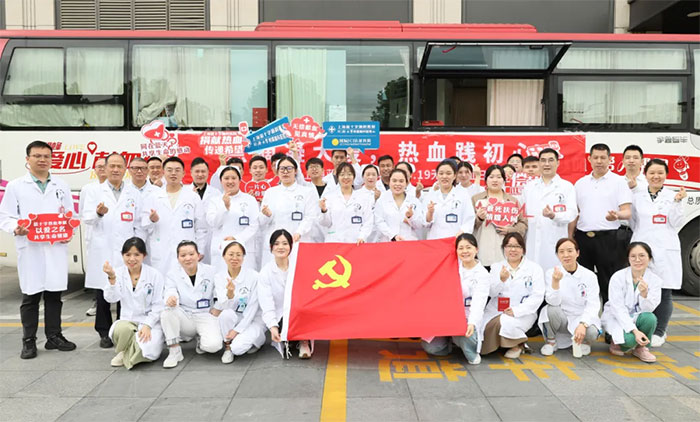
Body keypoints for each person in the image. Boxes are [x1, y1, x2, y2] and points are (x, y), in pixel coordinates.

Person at [0, 140, 77, 358]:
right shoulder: (16, 186)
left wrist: (68, 231)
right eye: (37, 156)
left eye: (46, 156)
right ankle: (29, 341)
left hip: (55, 248)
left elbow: (70, 215)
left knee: (54, 294)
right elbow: (5, 216)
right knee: (31, 296)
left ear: (51, 159)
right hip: (30, 248)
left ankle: (54, 336)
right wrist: (16, 228)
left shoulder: (61, 185)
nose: (42, 160)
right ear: (28, 159)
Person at [82, 153, 143, 348]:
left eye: (119, 166)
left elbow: (138, 221)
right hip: (104, 249)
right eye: (112, 166)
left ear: (125, 170)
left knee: (126, 292)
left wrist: (138, 247)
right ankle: (103, 332)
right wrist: (98, 213)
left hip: (127, 250)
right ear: (105, 169)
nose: (116, 170)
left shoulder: (133, 192)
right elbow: (86, 218)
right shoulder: (94, 191)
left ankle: (122, 329)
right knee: (103, 292)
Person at [631, 159, 686, 347]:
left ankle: (660, 331)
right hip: (642, 247)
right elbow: (633, 222)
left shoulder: (673, 196)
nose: (656, 176)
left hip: (664, 248)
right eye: (652, 173)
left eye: (660, 173)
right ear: (645, 175)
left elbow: (676, 222)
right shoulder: (637, 196)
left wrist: (677, 202)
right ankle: (642, 327)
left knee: (664, 290)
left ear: (666, 175)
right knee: (640, 288)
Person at [573, 143, 632, 304]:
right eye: (596, 157)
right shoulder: (580, 183)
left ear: (610, 159)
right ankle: (585, 316)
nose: (599, 161)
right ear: (589, 159)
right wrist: (570, 236)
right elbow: (575, 213)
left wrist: (617, 215)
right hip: (583, 238)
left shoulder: (619, 182)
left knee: (609, 282)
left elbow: (627, 211)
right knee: (582, 282)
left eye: (603, 158)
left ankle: (610, 316)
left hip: (609, 238)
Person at [422, 234, 489, 364]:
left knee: (470, 348)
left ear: (476, 249)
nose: (465, 251)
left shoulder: (482, 274)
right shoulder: (451, 267)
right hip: (447, 315)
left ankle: (468, 348)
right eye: (461, 248)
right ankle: (450, 342)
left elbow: (478, 302)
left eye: (468, 247)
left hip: (467, 316)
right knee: (431, 347)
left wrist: (472, 322)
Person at [102, 237, 165, 369]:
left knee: (147, 350)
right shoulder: (118, 273)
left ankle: (125, 351)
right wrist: (112, 278)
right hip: (128, 321)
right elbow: (111, 298)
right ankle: (128, 350)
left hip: (149, 322)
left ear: (144, 255)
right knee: (121, 330)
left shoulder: (154, 275)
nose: (132, 259)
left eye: (136, 254)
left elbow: (158, 304)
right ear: (122, 255)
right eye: (128, 255)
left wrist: (148, 325)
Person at [481, 233, 545, 359]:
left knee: (506, 323)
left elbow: (537, 296)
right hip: (495, 310)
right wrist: (501, 280)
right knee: (482, 327)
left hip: (523, 312)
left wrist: (517, 311)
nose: (513, 250)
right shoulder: (496, 267)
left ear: (523, 249)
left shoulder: (534, 269)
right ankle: (515, 343)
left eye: (517, 246)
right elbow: (491, 292)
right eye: (509, 246)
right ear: (504, 248)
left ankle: (515, 345)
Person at [161, 241, 223, 368]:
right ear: (178, 258)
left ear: (198, 255)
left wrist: (217, 308)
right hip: (186, 316)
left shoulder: (211, 271)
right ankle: (174, 351)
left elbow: (220, 291)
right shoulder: (172, 274)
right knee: (167, 312)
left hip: (205, 315)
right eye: (183, 255)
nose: (187, 258)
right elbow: (170, 290)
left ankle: (201, 341)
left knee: (214, 346)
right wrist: (171, 298)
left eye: (191, 254)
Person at [141, 156, 206, 275]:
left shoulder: (192, 197)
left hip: (187, 252)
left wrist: (200, 249)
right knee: (161, 281)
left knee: (185, 281)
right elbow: (144, 225)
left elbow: (201, 227)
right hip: (161, 249)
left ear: (183, 173)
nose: (173, 173)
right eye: (169, 170)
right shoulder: (153, 196)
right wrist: (152, 219)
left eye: (177, 170)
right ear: (163, 173)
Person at [537, 238, 600, 358]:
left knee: (592, 332)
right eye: (561, 252)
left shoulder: (589, 275)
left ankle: (584, 342)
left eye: (570, 251)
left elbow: (593, 304)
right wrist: (555, 282)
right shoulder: (551, 273)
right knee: (551, 309)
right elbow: (552, 301)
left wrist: (583, 324)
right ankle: (551, 341)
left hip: (580, 316)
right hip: (562, 318)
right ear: (557, 255)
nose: (566, 255)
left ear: (577, 253)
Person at [601, 242, 662, 363]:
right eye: (633, 256)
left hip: (637, 316)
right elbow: (618, 308)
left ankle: (641, 348)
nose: (637, 260)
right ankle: (617, 342)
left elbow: (649, 309)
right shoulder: (618, 277)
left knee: (650, 318)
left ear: (649, 258)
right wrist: (635, 331)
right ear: (628, 259)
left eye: (642, 256)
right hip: (617, 317)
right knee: (629, 341)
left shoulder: (655, 280)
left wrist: (644, 294)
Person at [258, 229, 313, 358]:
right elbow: (267, 303)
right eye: (276, 244)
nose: (281, 247)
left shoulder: (299, 266)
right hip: (280, 315)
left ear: (291, 247)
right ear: (271, 247)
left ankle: (303, 341)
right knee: (285, 328)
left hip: (300, 313)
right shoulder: (265, 272)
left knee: (301, 311)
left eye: (285, 243)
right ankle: (290, 339)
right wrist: (272, 326)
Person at [521, 148, 577, 271]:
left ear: (558, 163)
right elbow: (521, 212)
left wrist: (554, 215)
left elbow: (572, 213)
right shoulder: (529, 187)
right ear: (539, 163)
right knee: (533, 274)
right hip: (532, 241)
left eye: (551, 160)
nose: (546, 164)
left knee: (555, 274)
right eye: (543, 160)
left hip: (555, 240)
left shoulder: (566, 186)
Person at [259, 157, 318, 265]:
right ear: (277, 172)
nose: (285, 172)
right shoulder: (270, 192)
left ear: (295, 171)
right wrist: (267, 215)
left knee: (298, 270)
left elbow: (310, 216)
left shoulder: (307, 192)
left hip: (298, 240)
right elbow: (262, 221)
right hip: (277, 243)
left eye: (289, 168)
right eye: (282, 169)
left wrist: (299, 232)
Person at [214, 241, 266, 364]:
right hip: (233, 317)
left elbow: (253, 308)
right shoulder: (219, 277)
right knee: (226, 314)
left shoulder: (254, 276)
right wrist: (230, 294)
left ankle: (257, 340)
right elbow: (223, 305)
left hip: (252, 320)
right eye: (231, 254)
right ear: (224, 256)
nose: (234, 258)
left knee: (238, 348)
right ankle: (228, 347)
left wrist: (237, 330)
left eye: (238, 255)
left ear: (243, 257)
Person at [206, 166, 260, 272]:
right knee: (222, 278)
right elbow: (213, 223)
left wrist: (236, 238)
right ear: (221, 181)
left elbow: (254, 225)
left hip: (244, 247)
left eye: (233, 178)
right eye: (226, 178)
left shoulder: (250, 200)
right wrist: (224, 207)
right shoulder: (214, 200)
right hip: (221, 248)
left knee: (245, 278)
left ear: (239, 180)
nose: (230, 181)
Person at [472, 165, 527, 269]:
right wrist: (479, 218)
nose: (495, 180)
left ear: (504, 180)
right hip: (482, 251)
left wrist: (510, 230)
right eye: (491, 177)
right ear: (486, 180)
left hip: (505, 254)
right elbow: (467, 225)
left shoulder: (513, 201)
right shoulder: (476, 199)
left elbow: (523, 224)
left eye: (499, 177)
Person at [319, 163, 374, 244]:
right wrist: (324, 211)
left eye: (349, 174)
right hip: (334, 242)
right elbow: (325, 223)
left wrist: (362, 237)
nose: (346, 177)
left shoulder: (362, 198)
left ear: (354, 177)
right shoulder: (329, 197)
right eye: (342, 174)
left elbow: (368, 221)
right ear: (338, 177)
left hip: (356, 243)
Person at [80, 157, 107, 317]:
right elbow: (83, 213)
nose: (102, 169)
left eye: (104, 166)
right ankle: (97, 302)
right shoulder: (88, 189)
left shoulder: (120, 188)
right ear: (94, 170)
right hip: (94, 235)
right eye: (99, 166)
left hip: (112, 236)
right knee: (98, 272)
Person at [422, 160, 475, 240]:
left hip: (455, 240)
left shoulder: (463, 194)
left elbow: (469, 219)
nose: (444, 176)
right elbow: (424, 223)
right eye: (441, 173)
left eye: (448, 173)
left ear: (454, 176)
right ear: (437, 176)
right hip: (434, 240)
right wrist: (430, 213)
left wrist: (462, 233)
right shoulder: (431, 196)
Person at [187, 157, 222, 265]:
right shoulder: (185, 192)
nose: (200, 174)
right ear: (191, 172)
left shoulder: (216, 193)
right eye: (197, 171)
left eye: (203, 171)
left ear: (208, 173)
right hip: (190, 236)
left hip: (211, 237)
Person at [374, 169, 424, 242]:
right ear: (389, 182)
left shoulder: (414, 201)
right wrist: (393, 236)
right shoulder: (381, 201)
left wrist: (410, 217)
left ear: (406, 183)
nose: (397, 184)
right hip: (388, 242)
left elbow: (419, 226)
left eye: (401, 181)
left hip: (409, 242)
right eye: (394, 181)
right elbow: (379, 222)